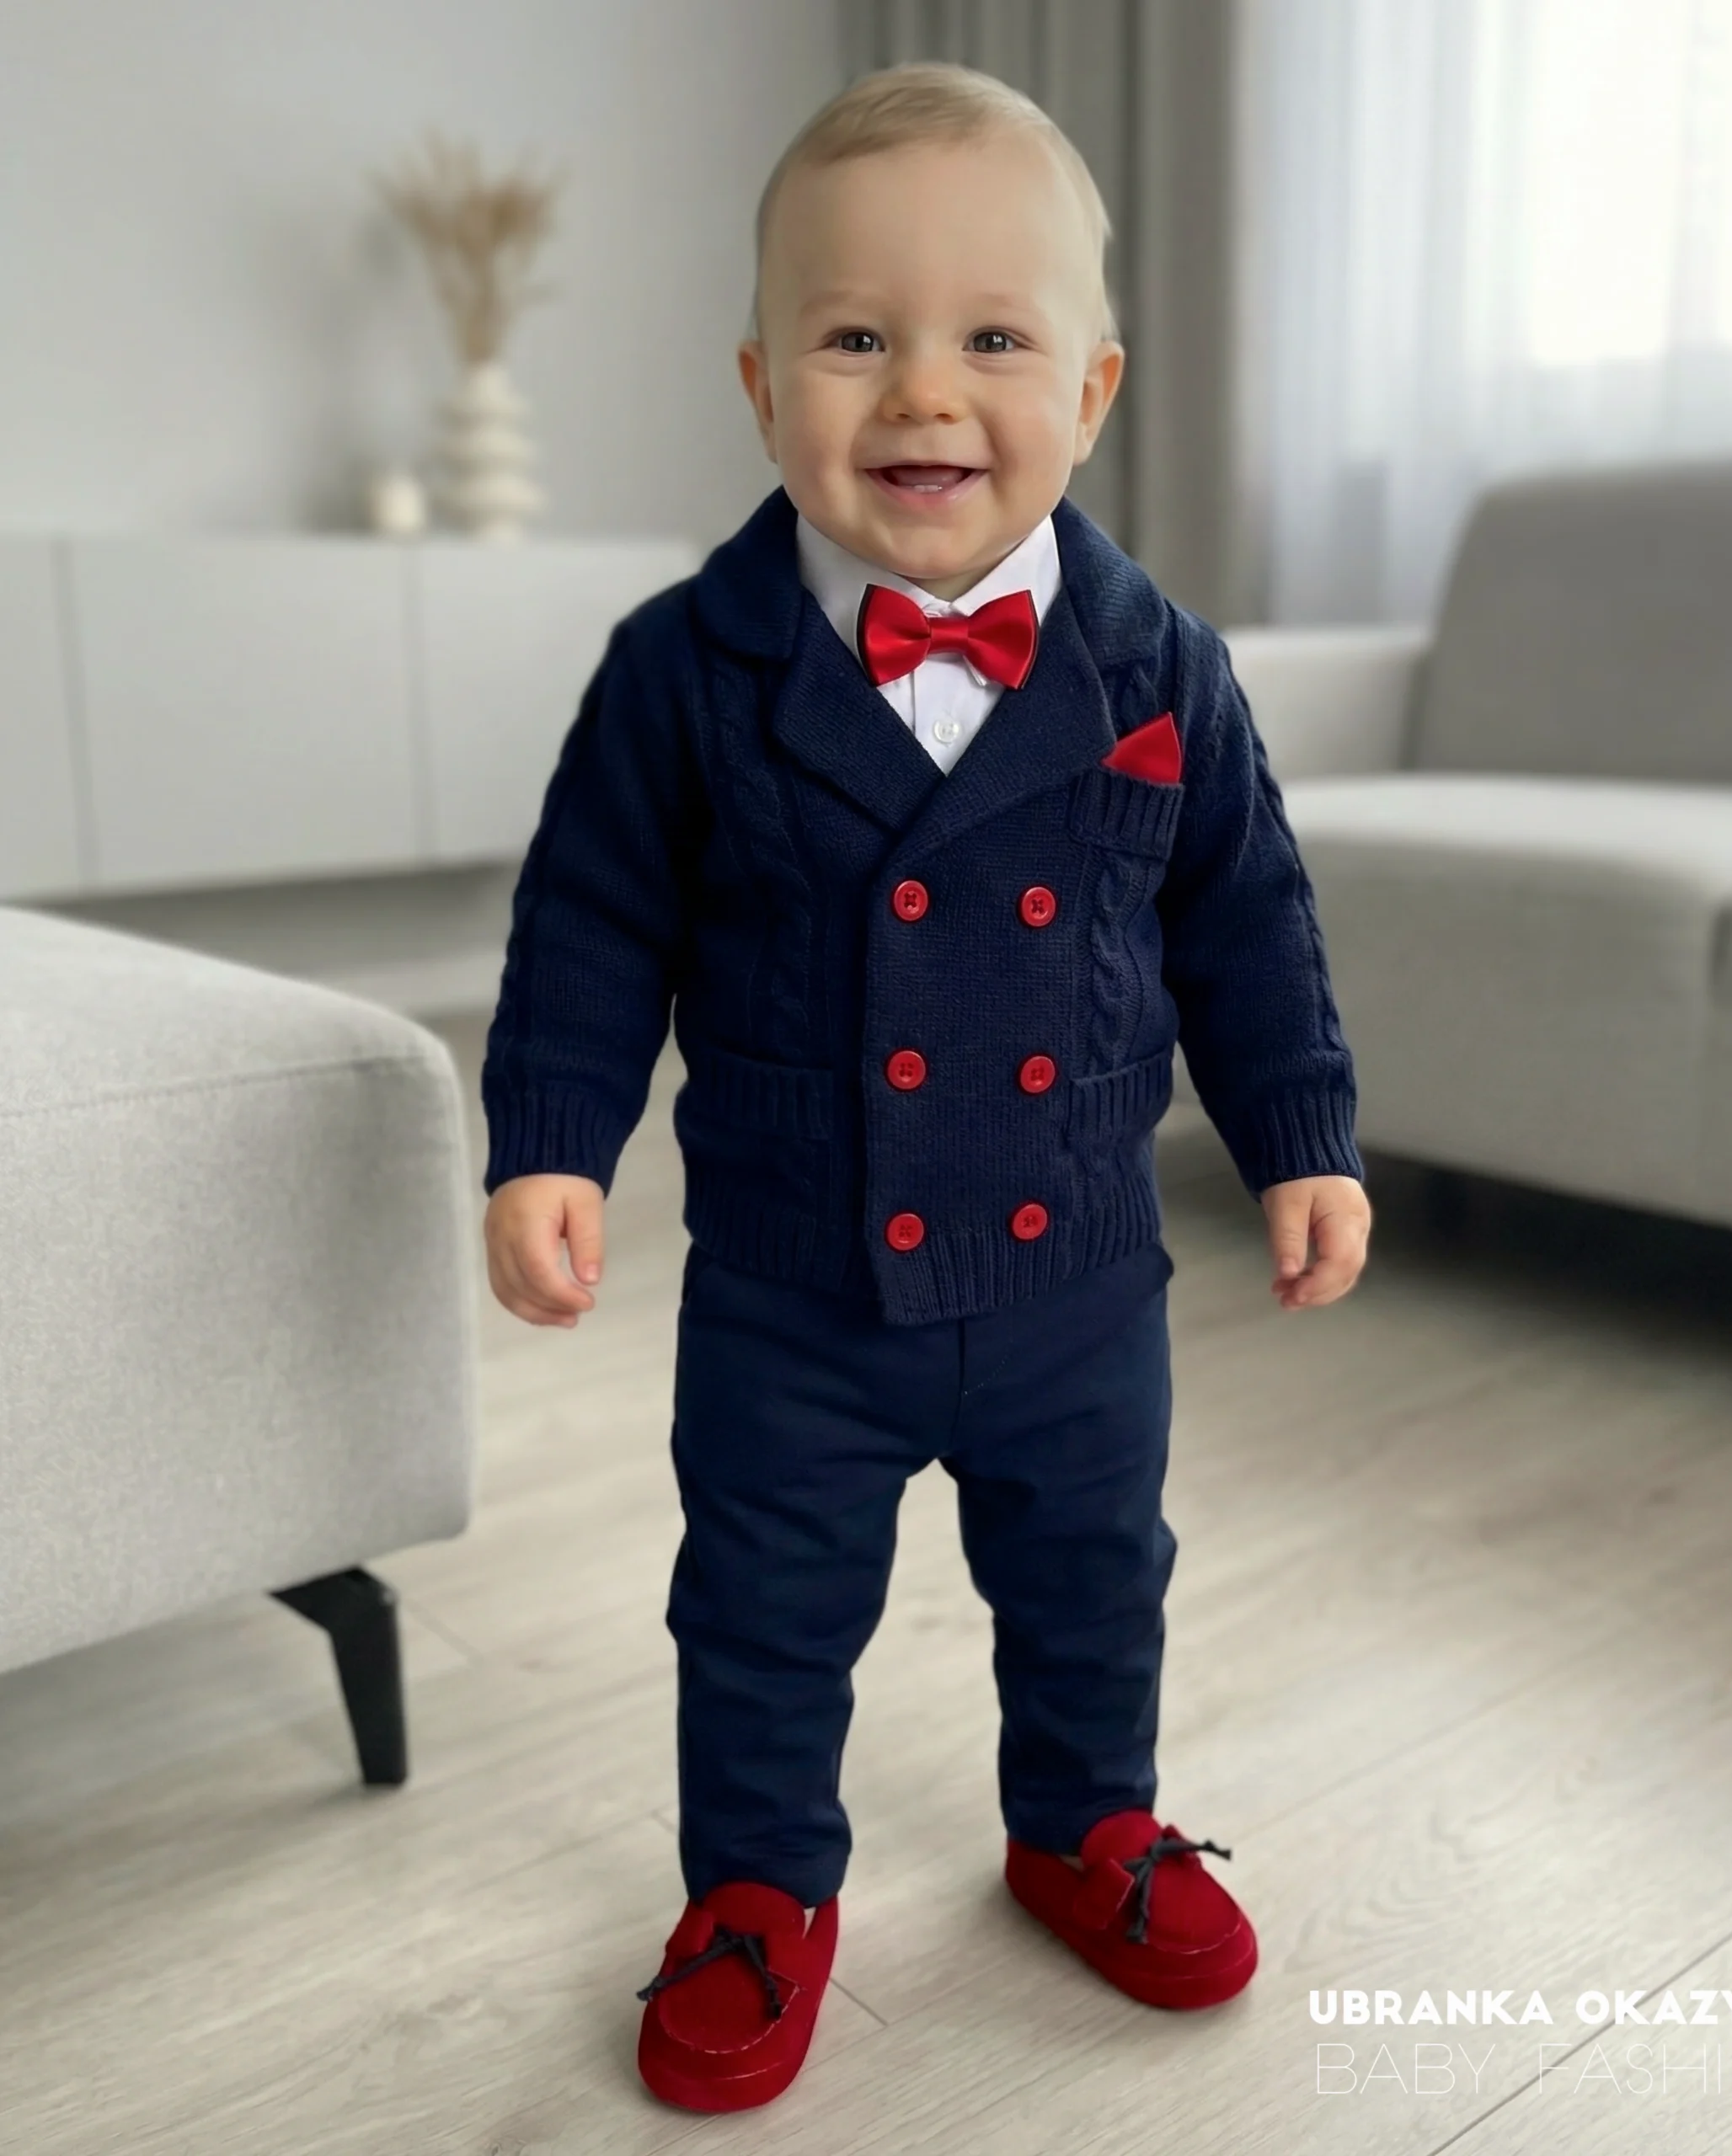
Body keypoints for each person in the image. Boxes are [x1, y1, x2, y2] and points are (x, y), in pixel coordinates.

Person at [479, 59, 1372, 2115]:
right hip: (792, 1282)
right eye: (854, 339)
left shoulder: (1161, 668)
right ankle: (755, 1888)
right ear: (757, 384)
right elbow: (591, 920)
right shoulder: (682, 668)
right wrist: (551, 1141)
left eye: (992, 340)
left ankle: (1085, 1819)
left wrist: (1299, 1133)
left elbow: (1247, 917)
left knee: (1094, 1573)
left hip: (1077, 1273)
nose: (923, 396)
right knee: (761, 1607)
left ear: (1095, 388)